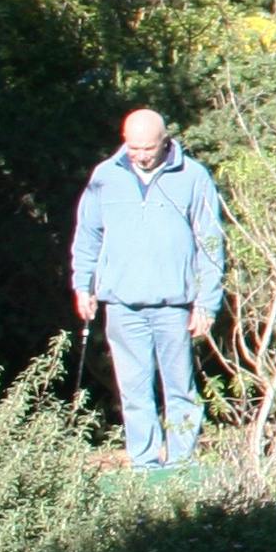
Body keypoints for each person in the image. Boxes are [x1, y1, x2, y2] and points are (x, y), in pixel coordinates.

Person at [71, 107, 224, 473]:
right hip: (122, 304)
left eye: (148, 148)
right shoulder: (106, 176)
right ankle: (144, 463)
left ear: (164, 141)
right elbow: (87, 235)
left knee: (179, 388)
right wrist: (83, 286)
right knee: (134, 389)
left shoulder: (192, 176)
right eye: (134, 147)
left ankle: (182, 462)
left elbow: (210, 242)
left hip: (174, 304)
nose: (140, 154)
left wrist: (206, 303)